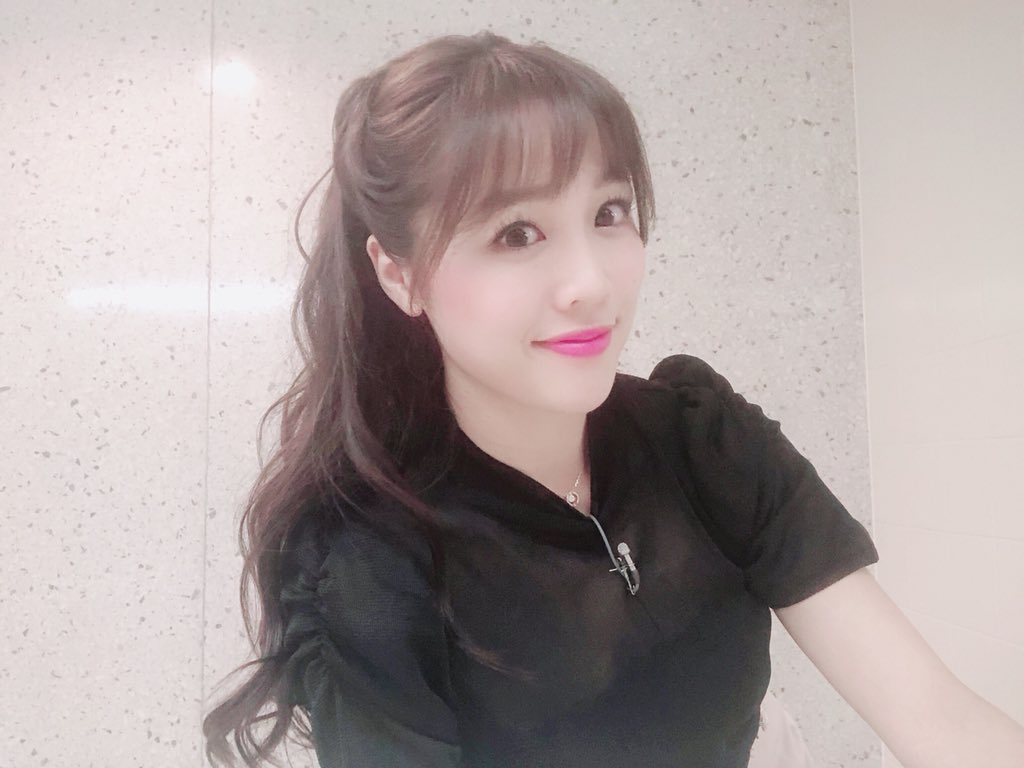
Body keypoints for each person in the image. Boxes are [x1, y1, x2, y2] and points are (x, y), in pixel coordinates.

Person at [202, 30, 1024, 768]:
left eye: (609, 211)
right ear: (400, 274)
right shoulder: (370, 562)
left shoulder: (702, 440)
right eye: (516, 232)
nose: (591, 283)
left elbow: (937, 718)